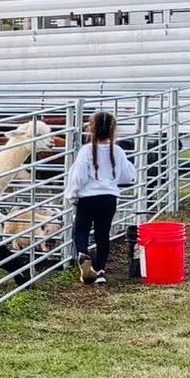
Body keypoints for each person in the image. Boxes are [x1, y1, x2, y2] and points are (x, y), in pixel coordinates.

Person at [65, 109, 137, 286]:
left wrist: (72, 194)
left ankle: (83, 255)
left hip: (88, 198)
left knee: (80, 230)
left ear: (92, 129)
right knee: (102, 234)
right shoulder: (118, 151)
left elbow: (79, 176)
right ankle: (101, 271)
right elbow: (128, 175)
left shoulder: (86, 150)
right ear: (113, 130)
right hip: (109, 198)